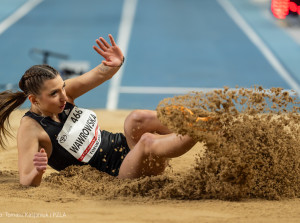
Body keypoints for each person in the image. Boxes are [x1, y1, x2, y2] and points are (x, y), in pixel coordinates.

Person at [0, 34, 196, 186]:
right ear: (34, 99)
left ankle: (194, 122)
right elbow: (26, 179)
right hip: (119, 173)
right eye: (54, 93)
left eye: (63, 87)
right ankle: (201, 133)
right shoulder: (31, 129)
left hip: (127, 149)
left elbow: (98, 75)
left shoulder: (63, 94)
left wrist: (114, 64)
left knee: (136, 118)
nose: (62, 96)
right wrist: (38, 171)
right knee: (147, 141)